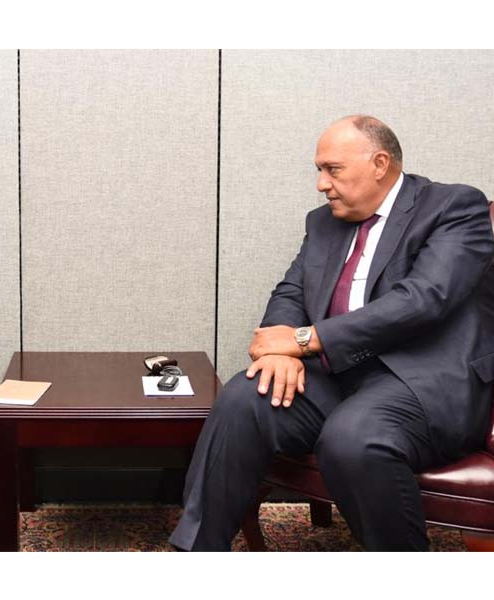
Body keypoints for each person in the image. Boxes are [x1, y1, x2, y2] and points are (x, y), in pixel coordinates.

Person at [170, 115, 494, 551]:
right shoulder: (323, 222)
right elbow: (291, 291)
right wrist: (279, 351)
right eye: (319, 171)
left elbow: (423, 299)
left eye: (332, 169)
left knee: (353, 437)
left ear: (380, 163)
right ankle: (196, 555)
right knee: (244, 399)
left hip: (420, 383)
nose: (322, 184)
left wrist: (305, 340)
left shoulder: (455, 208)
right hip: (338, 377)